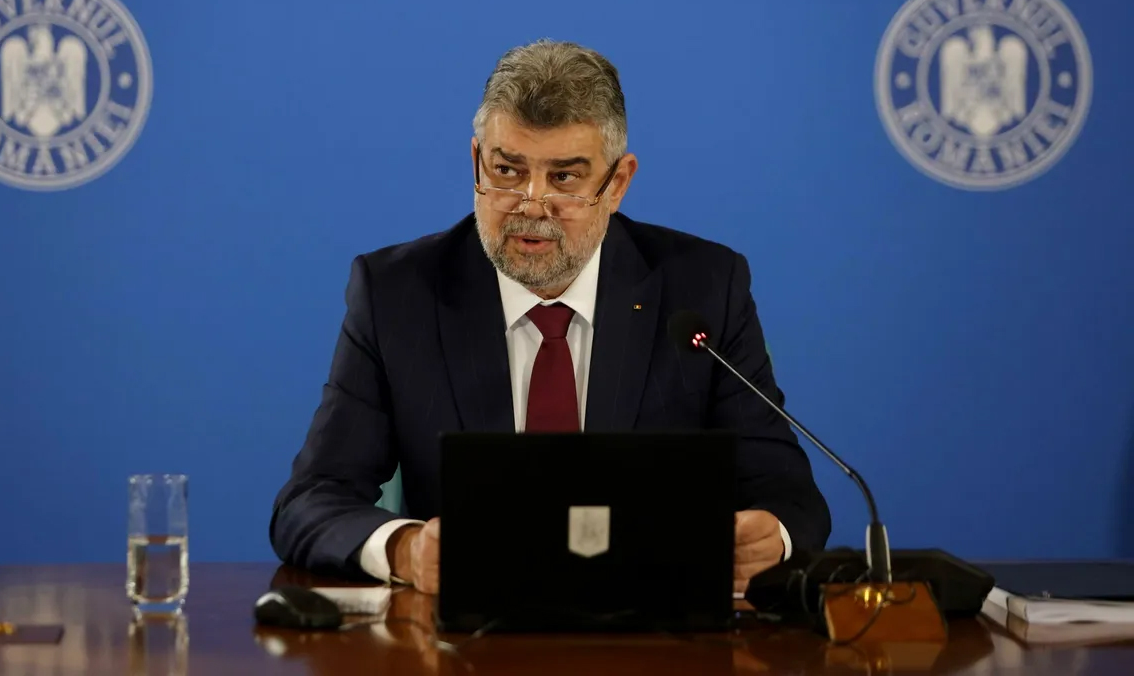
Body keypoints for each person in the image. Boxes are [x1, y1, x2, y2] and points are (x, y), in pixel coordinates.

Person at [270, 39, 831, 596]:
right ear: (476, 161)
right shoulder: (398, 295)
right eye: (507, 171)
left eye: (563, 178)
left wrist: (771, 537)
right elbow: (311, 501)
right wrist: (406, 549)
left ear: (617, 183)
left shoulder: (703, 289)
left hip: (653, 625)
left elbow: (789, 496)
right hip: (464, 630)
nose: (531, 204)